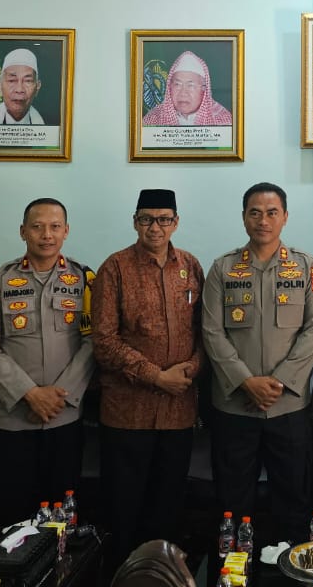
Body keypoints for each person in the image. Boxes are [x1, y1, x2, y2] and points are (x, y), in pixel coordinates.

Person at [201, 182, 313, 545]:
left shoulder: (306, 267)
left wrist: (280, 381)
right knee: (232, 502)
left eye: (272, 213)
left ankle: (290, 566)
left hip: (288, 407)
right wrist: (246, 381)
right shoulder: (222, 268)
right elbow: (211, 331)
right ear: (244, 218)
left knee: (294, 503)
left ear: (285, 217)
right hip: (235, 407)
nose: (263, 220)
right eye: (255, 213)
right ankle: (235, 569)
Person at [93, 189, 204, 574]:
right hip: (128, 414)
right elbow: (103, 341)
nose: (155, 227)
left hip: (178, 413)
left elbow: (203, 332)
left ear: (176, 222)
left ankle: (164, 578)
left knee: (168, 510)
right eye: (146, 219)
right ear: (135, 222)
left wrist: (192, 368)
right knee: (123, 512)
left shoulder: (190, 265)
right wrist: (157, 377)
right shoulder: (115, 267)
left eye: (163, 219)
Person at [0, 198, 96, 525]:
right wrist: (30, 394)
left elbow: (93, 341)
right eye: (37, 227)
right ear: (23, 231)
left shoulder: (85, 281)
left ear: (66, 231)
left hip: (63, 418)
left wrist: (58, 396)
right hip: (12, 420)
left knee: (62, 515)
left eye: (55, 227)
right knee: (10, 514)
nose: (46, 235)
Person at [141, 50, 234, 126]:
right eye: (177, 84)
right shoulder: (152, 119)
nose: (183, 93)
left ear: (204, 90)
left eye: (191, 85)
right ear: (169, 88)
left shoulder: (223, 120)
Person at [0, 48, 44, 125]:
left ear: (37, 87)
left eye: (27, 81)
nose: (19, 89)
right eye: (12, 80)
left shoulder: (52, 122)